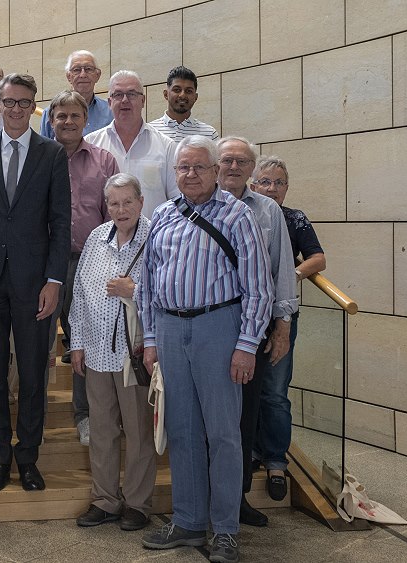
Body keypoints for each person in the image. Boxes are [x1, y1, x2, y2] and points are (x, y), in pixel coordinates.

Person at [140, 135, 272, 563]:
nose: (191, 174)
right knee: (182, 431)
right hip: (170, 328)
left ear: (216, 172)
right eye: (183, 167)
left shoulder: (237, 215)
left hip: (219, 328)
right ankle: (189, 521)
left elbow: (259, 287)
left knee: (223, 434)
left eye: (199, 167)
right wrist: (151, 339)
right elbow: (147, 284)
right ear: (174, 172)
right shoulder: (162, 214)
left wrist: (247, 345)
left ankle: (226, 530)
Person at [0, 73, 71, 493]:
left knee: (31, 373)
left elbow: (60, 222)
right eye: (9, 102)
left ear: (33, 106)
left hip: (34, 281)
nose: (16, 109)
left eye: (24, 103)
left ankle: (27, 457)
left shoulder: (51, 153)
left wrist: (54, 280)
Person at [216, 137, 298, 528]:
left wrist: (282, 326)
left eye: (242, 161)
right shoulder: (198, 205)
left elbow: (282, 271)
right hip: (209, 325)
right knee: (210, 415)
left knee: (246, 415)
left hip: (254, 328)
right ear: (215, 164)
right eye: (227, 160)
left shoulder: (268, 211)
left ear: (252, 169)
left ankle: (238, 497)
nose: (233, 167)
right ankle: (207, 495)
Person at [69, 173, 155, 532]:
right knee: (102, 430)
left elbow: (170, 290)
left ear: (141, 202)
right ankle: (105, 500)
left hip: (133, 354)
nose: (121, 210)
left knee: (138, 432)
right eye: (114, 203)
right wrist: (76, 342)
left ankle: (137, 503)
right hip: (96, 351)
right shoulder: (96, 237)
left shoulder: (156, 237)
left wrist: (134, 289)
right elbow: (79, 292)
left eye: (127, 202)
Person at [250, 155, 326, 503]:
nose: (272, 188)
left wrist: (290, 275)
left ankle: (276, 460)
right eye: (265, 182)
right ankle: (251, 450)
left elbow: (317, 258)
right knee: (245, 389)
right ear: (253, 185)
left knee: (275, 391)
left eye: (279, 182)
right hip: (245, 315)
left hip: (280, 315)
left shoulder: (294, 218)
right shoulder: (241, 212)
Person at [47, 90, 119, 444]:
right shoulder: (40, 158)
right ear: (51, 121)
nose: (68, 121)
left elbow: (114, 215)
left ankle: (85, 414)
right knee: (39, 338)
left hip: (90, 260)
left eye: (75, 115)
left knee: (85, 337)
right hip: (46, 261)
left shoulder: (104, 160)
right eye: (61, 115)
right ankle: (35, 411)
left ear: (86, 120)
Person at [85, 70, 178, 217]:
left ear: (143, 101)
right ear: (109, 102)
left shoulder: (167, 147)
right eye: (118, 94)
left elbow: (176, 201)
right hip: (105, 232)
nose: (124, 100)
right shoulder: (91, 144)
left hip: (154, 231)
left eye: (132, 94)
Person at [40, 51, 113, 139]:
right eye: (76, 70)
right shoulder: (50, 112)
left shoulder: (111, 111)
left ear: (97, 75)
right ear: (68, 76)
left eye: (88, 69)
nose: (83, 75)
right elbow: (44, 146)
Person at [148, 66, 220, 141]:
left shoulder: (210, 134)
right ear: (166, 94)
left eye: (188, 91)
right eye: (177, 90)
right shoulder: (149, 132)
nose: (182, 95)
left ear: (195, 97)